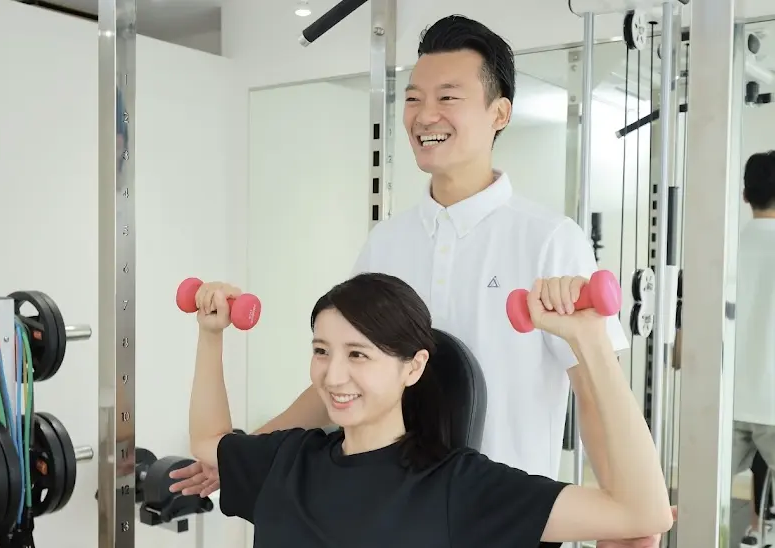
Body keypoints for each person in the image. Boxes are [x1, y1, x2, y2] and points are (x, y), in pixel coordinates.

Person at [171, 15, 669, 546]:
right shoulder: (386, 241)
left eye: (448, 97)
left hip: (501, 516)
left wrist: (618, 517)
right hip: (391, 519)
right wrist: (246, 454)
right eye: (413, 98)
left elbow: (592, 396)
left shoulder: (549, 238)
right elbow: (350, 373)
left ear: (499, 113)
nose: (425, 114)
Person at [187, 273, 673, 547]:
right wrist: (211, 335)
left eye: (358, 355)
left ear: (414, 367)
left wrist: (590, 341)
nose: (333, 376)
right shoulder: (288, 459)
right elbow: (209, 441)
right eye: (321, 351)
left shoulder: (458, 486)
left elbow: (641, 513)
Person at [731, 150, 775, 548]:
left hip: (725, 402)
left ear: (745, 194)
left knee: (698, 500)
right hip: (772, 403)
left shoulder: (725, 248)